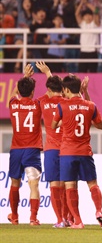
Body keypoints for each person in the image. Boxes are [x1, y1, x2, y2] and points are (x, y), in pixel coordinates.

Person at [52, 74, 102, 229]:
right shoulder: (90, 106)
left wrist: (64, 121)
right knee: (93, 184)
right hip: (85, 152)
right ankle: (99, 211)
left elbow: (52, 125)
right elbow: (101, 126)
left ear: (66, 89)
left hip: (68, 152)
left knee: (70, 186)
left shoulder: (62, 106)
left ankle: (78, 221)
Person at [35, 62, 70, 228]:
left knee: (54, 185)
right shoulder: (66, 102)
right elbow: (57, 90)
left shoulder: (42, 101)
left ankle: (59, 220)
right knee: (67, 185)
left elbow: (51, 91)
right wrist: (49, 74)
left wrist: (47, 74)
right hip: (67, 148)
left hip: (50, 149)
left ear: (48, 89)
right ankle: (68, 217)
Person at [7, 65, 42, 226]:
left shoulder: (13, 103)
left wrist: (24, 77)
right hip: (32, 149)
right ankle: (33, 219)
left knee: (15, 183)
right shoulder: (37, 105)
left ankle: (14, 217)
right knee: (33, 185)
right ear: (33, 92)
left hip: (16, 150)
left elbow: (14, 93)